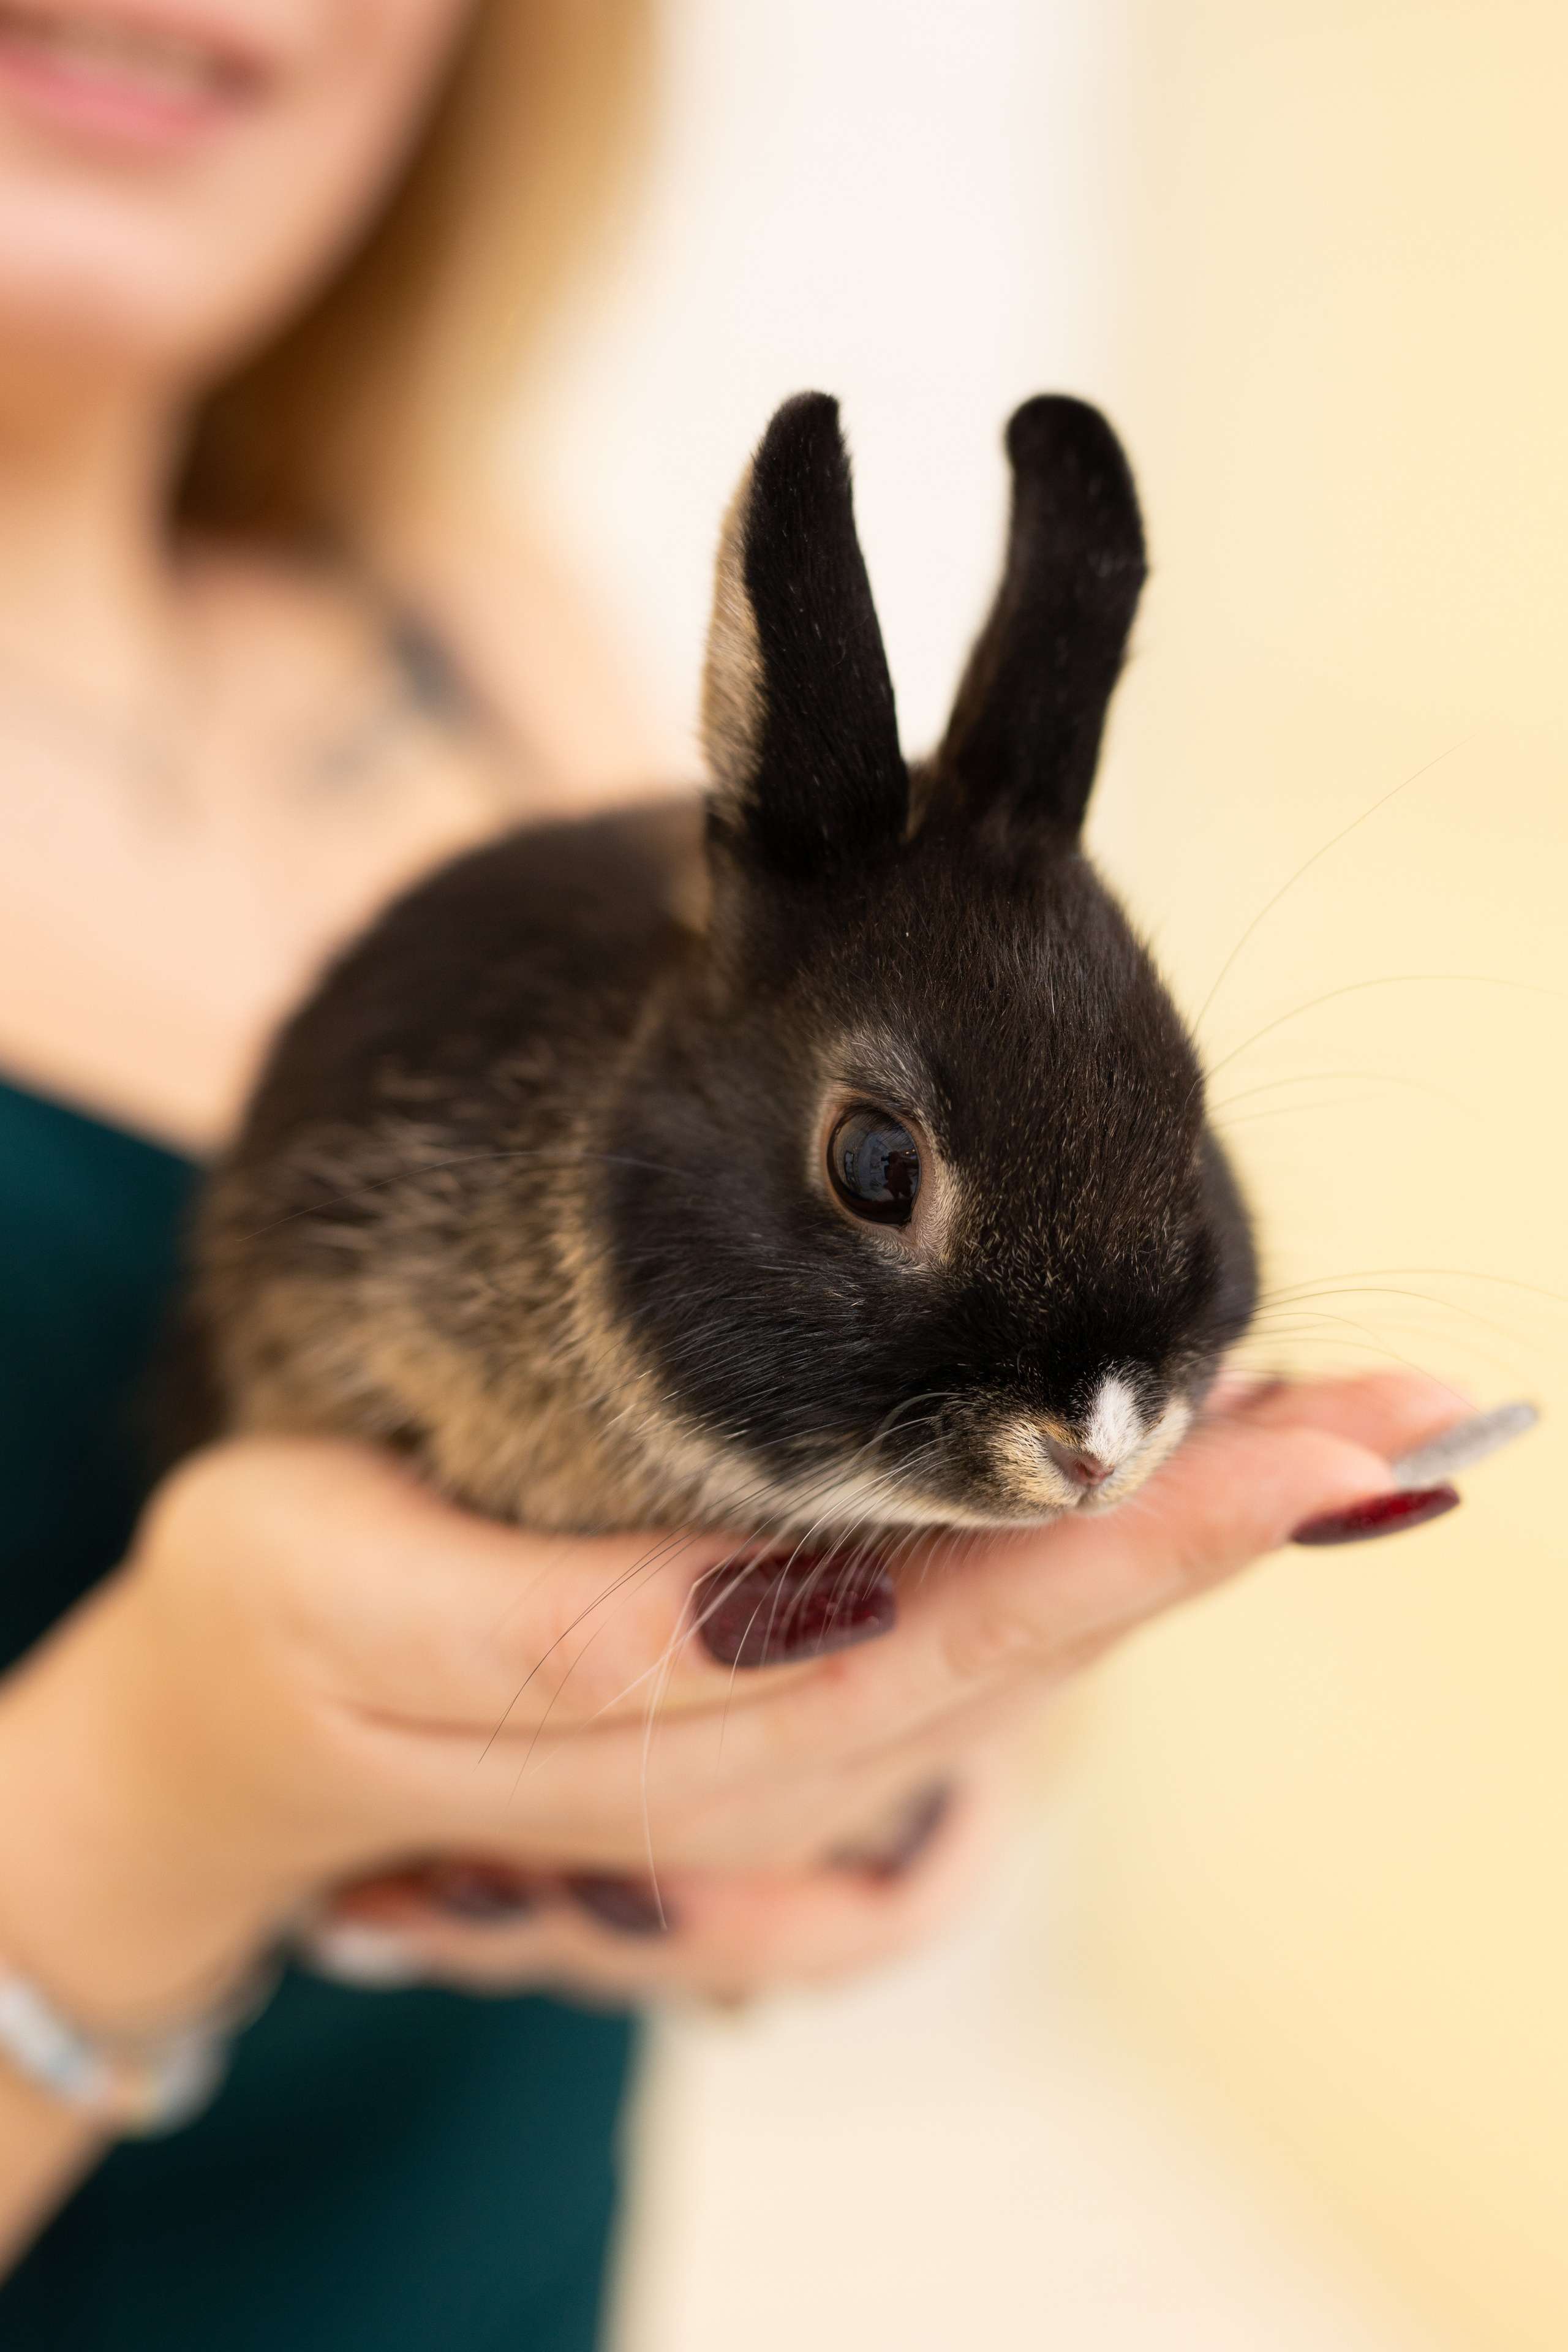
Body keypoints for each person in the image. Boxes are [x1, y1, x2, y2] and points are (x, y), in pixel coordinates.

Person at [0, 2, 1469, 2345]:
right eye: (886, 1173)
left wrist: (916, 1754)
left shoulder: (466, 615)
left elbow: (902, 1510)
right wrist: (169, 1787)